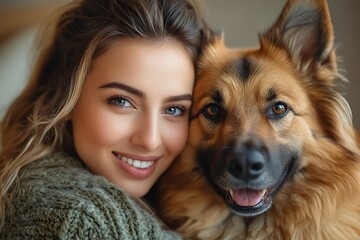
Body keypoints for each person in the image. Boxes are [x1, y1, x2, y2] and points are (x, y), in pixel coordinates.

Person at [0, 0, 210, 238]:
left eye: (173, 110)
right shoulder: (84, 222)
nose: (150, 140)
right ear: (67, 97)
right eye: (121, 101)